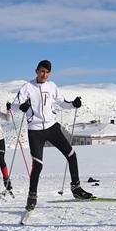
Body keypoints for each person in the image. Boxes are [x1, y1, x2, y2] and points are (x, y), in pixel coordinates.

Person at [9, 60, 94, 211]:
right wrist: (21, 106)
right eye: (42, 71)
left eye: (47, 72)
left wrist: (73, 104)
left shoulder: (52, 86)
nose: (44, 75)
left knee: (71, 155)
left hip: (51, 127)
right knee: (38, 165)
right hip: (35, 130)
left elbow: (62, 102)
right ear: (36, 71)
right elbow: (14, 106)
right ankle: (32, 197)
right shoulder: (27, 87)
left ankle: (76, 189)